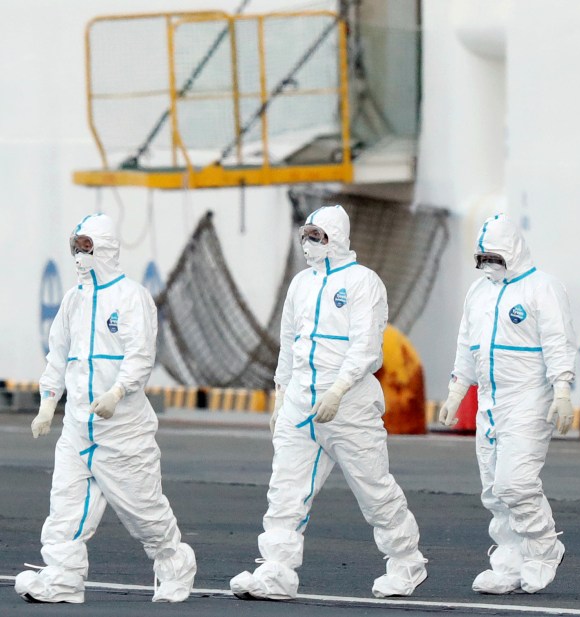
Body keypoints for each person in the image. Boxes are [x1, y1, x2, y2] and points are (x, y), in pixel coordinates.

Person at [231, 205, 427, 600]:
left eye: (317, 236)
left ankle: (406, 561)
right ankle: (276, 571)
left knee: (373, 488)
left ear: (335, 238)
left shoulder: (363, 282)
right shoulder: (301, 284)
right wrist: (281, 393)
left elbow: (367, 347)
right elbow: (289, 342)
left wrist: (338, 390)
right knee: (285, 491)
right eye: (306, 236)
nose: (309, 244)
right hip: (301, 405)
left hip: (349, 406)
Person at [16, 213, 196, 604]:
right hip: (79, 429)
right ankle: (62, 578)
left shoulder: (132, 297)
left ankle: (174, 563)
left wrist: (116, 394)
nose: (78, 256)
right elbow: (58, 353)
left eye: (85, 247)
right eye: (75, 247)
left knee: (144, 512)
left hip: (123, 431)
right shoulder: (73, 299)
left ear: (105, 248)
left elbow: (140, 355)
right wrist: (49, 403)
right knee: (64, 508)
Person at [436, 213, 577, 594]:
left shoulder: (542, 288)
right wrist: (455, 391)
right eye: (482, 259)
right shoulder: (479, 292)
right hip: (489, 401)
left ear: (512, 252)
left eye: (495, 258)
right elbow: (468, 345)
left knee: (516, 483)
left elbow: (558, 342)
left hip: (528, 399)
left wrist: (562, 391)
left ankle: (544, 549)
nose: (487, 266)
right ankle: (509, 561)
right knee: (494, 490)